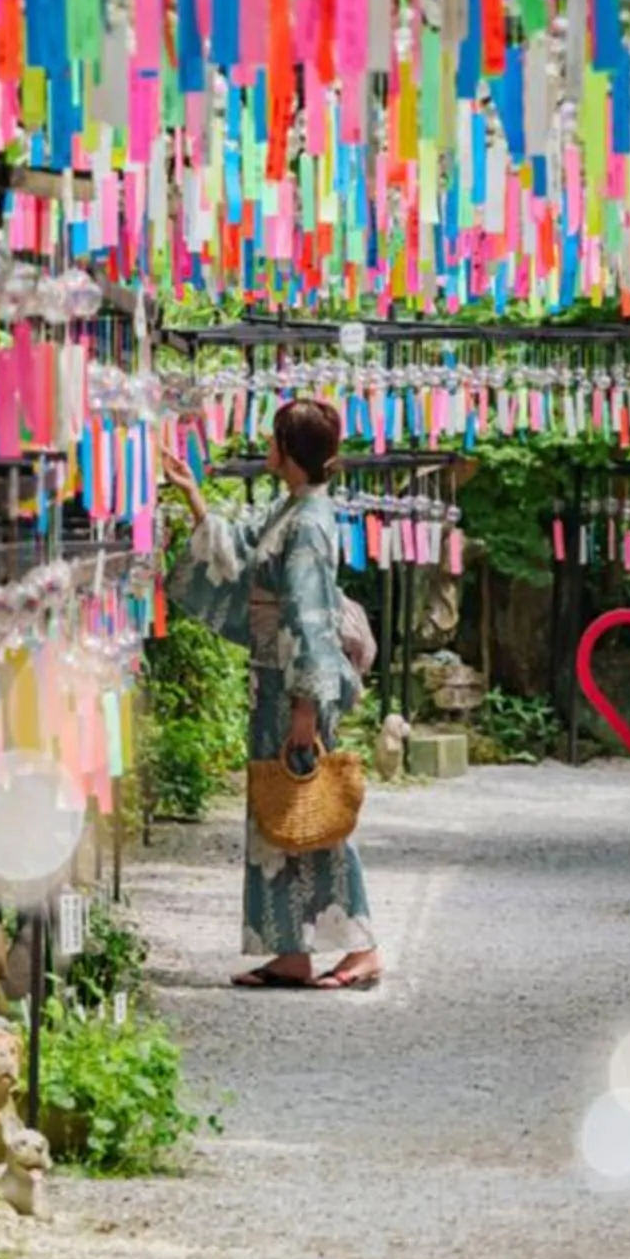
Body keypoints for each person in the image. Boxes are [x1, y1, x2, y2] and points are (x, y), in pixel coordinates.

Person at [158, 397, 383, 990]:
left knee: (317, 808)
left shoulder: (307, 522)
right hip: (277, 676)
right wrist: (191, 492)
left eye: (272, 439)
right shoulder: (295, 508)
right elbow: (237, 547)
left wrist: (306, 706)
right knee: (277, 811)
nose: (266, 449)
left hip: (295, 683)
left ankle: (361, 948)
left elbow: (308, 618)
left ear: (287, 449)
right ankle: (289, 951)